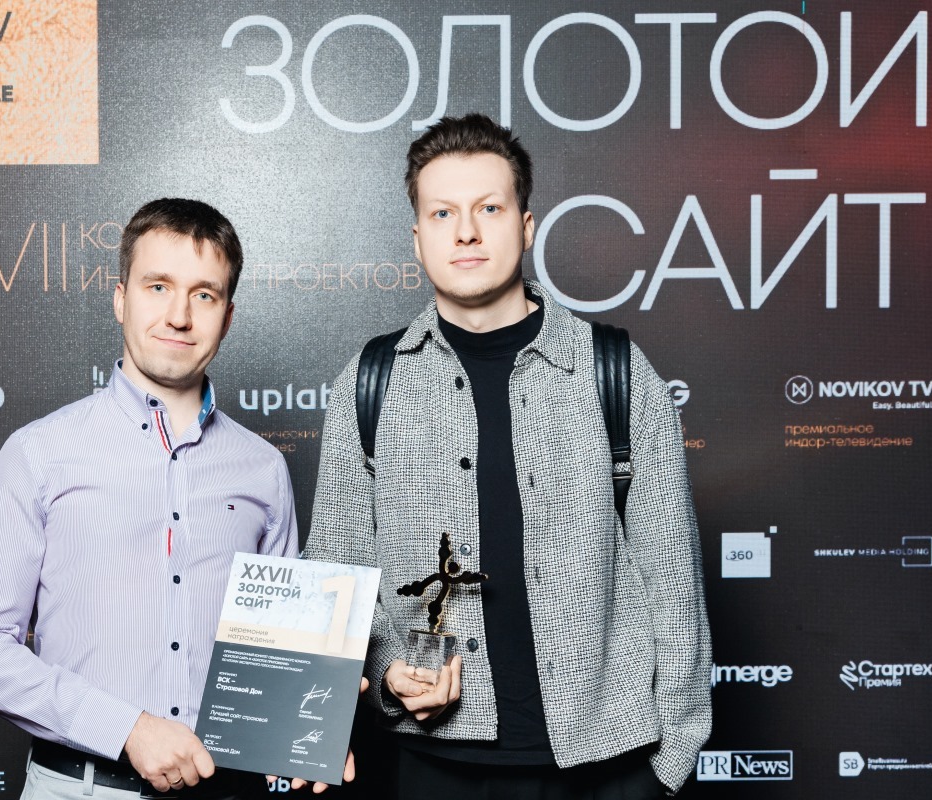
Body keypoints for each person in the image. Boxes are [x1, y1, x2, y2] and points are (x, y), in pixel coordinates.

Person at [304, 114, 711, 798]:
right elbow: (336, 569)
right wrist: (389, 673)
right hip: (430, 767)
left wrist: (671, 761)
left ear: (525, 227)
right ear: (418, 237)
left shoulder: (614, 370)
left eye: (488, 209)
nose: (466, 231)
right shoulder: (370, 382)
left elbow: (671, 576)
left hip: (607, 765)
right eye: (443, 213)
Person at [0, 198, 340, 799]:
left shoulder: (263, 468)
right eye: (158, 287)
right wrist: (126, 728)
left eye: (204, 295)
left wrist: (312, 721)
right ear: (120, 298)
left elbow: (278, 657)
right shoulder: (39, 453)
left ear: (227, 316)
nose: (179, 316)